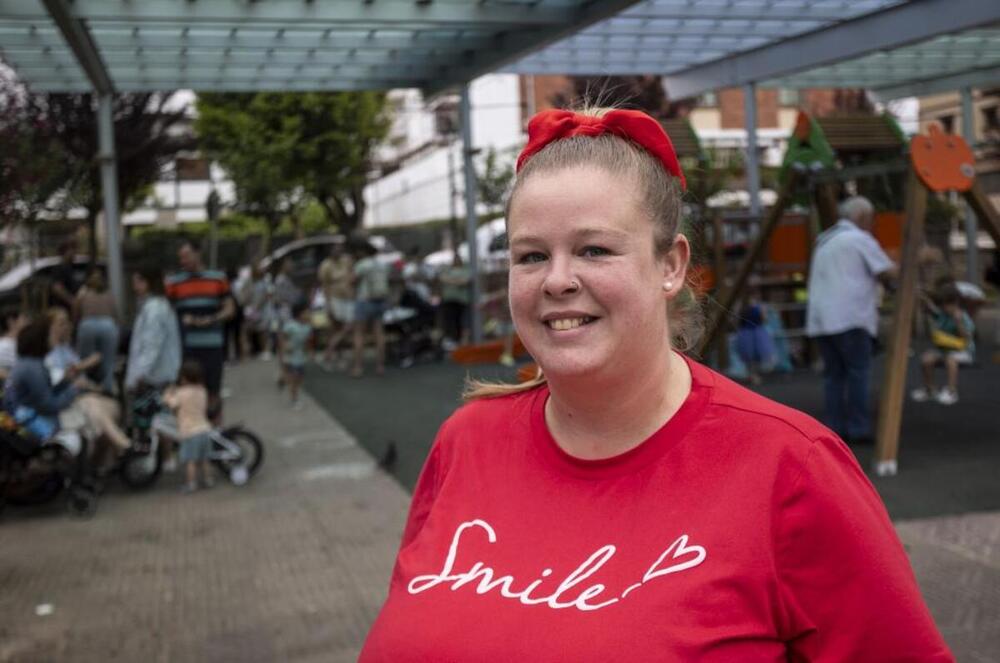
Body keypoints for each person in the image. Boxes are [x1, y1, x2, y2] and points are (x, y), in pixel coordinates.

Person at [359, 108, 952, 661]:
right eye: (531, 256)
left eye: (594, 249)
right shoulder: (465, 441)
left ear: (670, 265)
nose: (557, 280)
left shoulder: (792, 469)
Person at [806, 196, 897, 445]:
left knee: (834, 376)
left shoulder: (825, 239)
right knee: (858, 373)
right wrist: (915, 259)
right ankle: (858, 427)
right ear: (861, 217)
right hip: (851, 317)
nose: (873, 223)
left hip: (821, 320)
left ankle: (834, 427)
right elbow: (887, 271)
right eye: (871, 218)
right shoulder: (859, 239)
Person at [45, 308, 132, 467]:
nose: (67, 326)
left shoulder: (68, 349)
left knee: (105, 409)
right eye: (61, 323)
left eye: (67, 322)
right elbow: (57, 380)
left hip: (86, 396)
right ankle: (124, 447)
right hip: (68, 401)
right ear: (50, 327)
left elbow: (81, 378)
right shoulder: (46, 354)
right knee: (94, 409)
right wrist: (81, 368)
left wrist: (89, 382)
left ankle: (102, 465)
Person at [166, 242, 234, 421]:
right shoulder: (174, 283)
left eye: (186, 256)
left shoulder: (218, 279)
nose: (183, 261)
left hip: (212, 345)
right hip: (187, 349)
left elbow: (230, 309)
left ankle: (216, 434)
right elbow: (167, 312)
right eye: (181, 257)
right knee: (188, 392)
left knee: (213, 391)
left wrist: (210, 320)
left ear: (198, 254)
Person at [3, 319, 81, 454]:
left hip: (25, 419)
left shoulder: (30, 363)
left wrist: (65, 382)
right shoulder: (32, 368)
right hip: (31, 426)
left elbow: (43, 393)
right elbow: (48, 404)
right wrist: (73, 391)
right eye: (50, 335)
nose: (54, 338)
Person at [912, 281, 975, 405]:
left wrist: (959, 323)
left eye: (945, 305)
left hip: (963, 351)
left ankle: (951, 391)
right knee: (926, 359)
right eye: (941, 306)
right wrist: (922, 297)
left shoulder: (962, 317)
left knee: (950, 360)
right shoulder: (943, 314)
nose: (943, 309)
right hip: (944, 350)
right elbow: (931, 309)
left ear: (955, 303)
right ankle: (930, 389)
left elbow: (967, 337)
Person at [125, 267, 182, 394]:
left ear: (146, 283)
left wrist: (138, 376)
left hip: (155, 379)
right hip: (158, 376)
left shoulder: (154, 309)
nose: (134, 288)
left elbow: (151, 345)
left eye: (136, 283)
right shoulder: (156, 306)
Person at [163, 360, 214, 494]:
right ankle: (208, 480)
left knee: (190, 460)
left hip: (190, 432)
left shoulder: (181, 393)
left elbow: (171, 404)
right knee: (204, 459)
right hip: (204, 429)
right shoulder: (202, 390)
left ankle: (191, 484)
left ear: (184, 377)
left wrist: (167, 394)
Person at [73, 269, 120, 393]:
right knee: (108, 361)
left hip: (88, 324)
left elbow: (76, 311)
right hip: (108, 324)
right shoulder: (108, 292)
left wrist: (76, 325)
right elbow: (115, 313)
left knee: (86, 360)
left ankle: (85, 387)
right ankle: (107, 388)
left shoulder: (83, 291)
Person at [352, 243, 390, 378]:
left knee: (359, 334)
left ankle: (358, 367)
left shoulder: (362, 264)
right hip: (380, 301)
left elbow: (353, 280)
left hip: (364, 300)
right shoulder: (383, 265)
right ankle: (380, 366)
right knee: (379, 334)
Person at [318, 243, 356, 370]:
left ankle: (330, 350)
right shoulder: (326, 265)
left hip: (349, 298)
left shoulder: (347, 260)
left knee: (348, 326)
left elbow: (353, 274)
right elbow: (325, 286)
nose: (338, 252)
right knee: (337, 327)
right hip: (335, 298)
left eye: (340, 250)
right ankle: (337, 355)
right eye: (335, 250)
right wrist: (328, 304)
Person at [279, 300, 312, 409]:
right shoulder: (291, 326)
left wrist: (309, 352)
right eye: (307, 312)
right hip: (290, 357)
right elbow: (282, 337)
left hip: (300, 357)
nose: (309, 315)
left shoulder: (307, 327)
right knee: (294, 379)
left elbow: (308, 341)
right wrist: (284, 348)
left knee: (300, 378)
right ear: (299, 314)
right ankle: (294, 400)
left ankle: (283, 379)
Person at [439, 253, 472, 350]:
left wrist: (451, 280)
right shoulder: (447, 269)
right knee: (450, 321)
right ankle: (452, 341)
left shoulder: (466, 269)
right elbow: (442, 278)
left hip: (462, 300)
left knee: (462, 321)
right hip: (449, 300)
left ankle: (462, 342)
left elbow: (465, 281)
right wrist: (456, 281)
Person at [48, 241, 81, 312]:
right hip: (63, 309)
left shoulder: (71, 268)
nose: (75, 253)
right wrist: (72, 301)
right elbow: (57, 288)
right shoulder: (59, 268)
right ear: (65, 252)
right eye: (73, 250)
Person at [0, 308, 29, 381]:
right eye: (24, 320)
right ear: (11, 322)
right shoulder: (4, 346)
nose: (28, 323)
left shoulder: (19, 343)